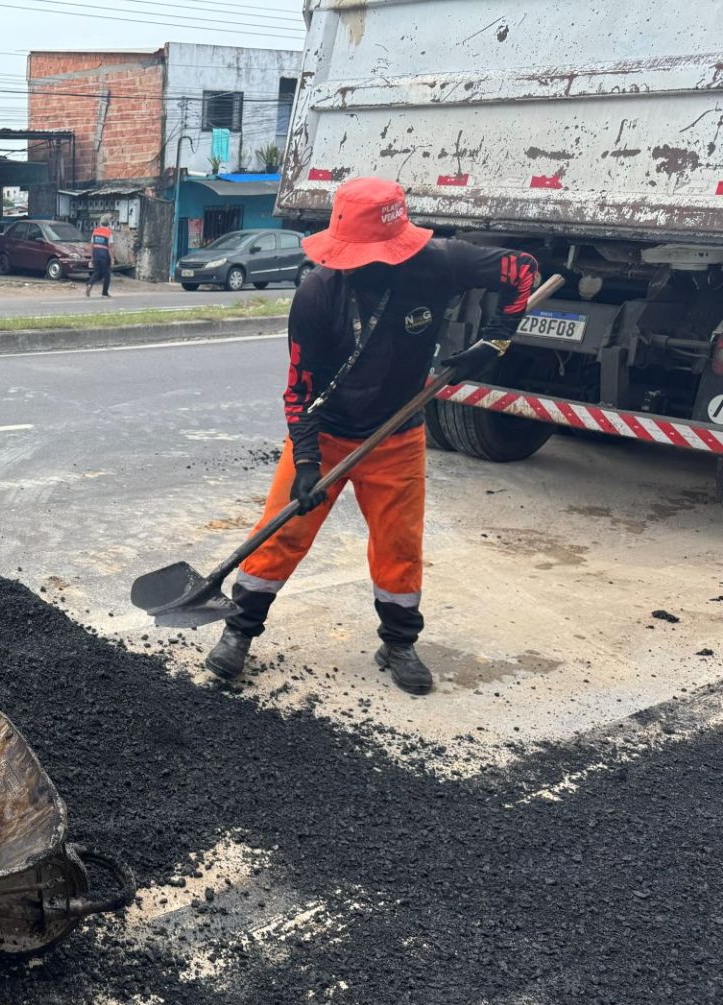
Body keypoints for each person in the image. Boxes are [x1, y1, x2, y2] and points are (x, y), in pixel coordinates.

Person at [203, 177, 538, 695]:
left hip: (397, 434)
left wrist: (494, 341)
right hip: (329, 432)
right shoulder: (318, 292)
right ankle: (239, 633)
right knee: (282, 532)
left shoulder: (441, 263)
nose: (358, 265)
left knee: (398, 545)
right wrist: (308, 460)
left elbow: (523, 272)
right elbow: (299, 389)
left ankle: (399, 643)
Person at [85, 217, 112, 298]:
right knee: (107, 275)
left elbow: (92, 245)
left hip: (96, 254)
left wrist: (92, 257)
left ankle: (90, 283)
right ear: (108, 224)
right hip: (105, 256)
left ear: (100, 223)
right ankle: (104, 293)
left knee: (97, 273)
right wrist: (112, 258)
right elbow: (110, 247)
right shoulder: (109, 232)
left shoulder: (95, 231)